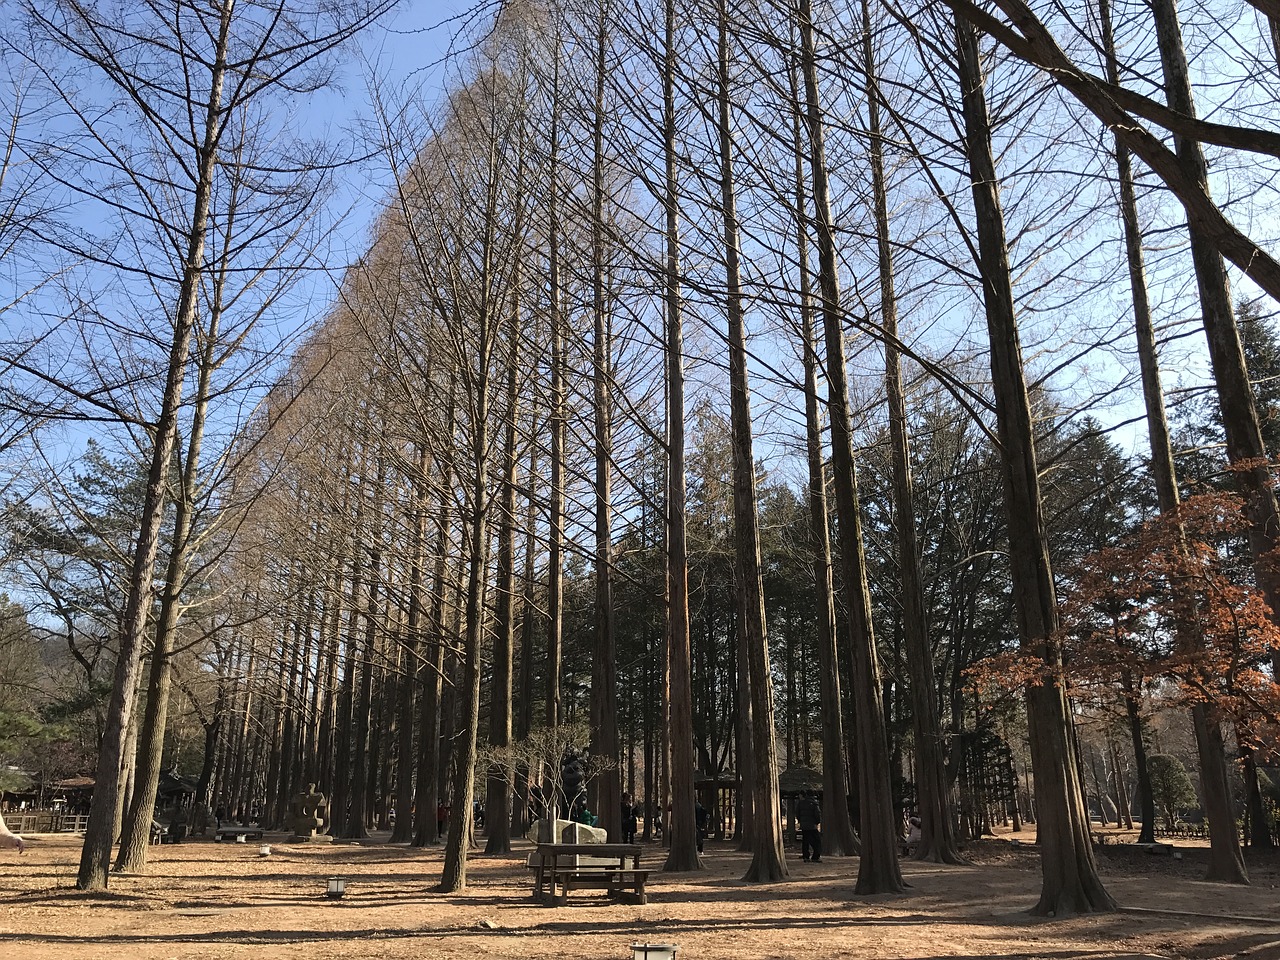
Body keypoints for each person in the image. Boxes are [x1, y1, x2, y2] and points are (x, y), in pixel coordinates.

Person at [797, 790, 823, 862]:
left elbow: (797, 813)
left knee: (805, 841)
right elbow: (817, 814)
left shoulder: (801, 803)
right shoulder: (814, 803)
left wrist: (801, 821)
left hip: (804, 826)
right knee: (817, 841)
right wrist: (817, 822)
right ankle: (815, 856)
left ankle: (806, 856)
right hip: (812, 826)